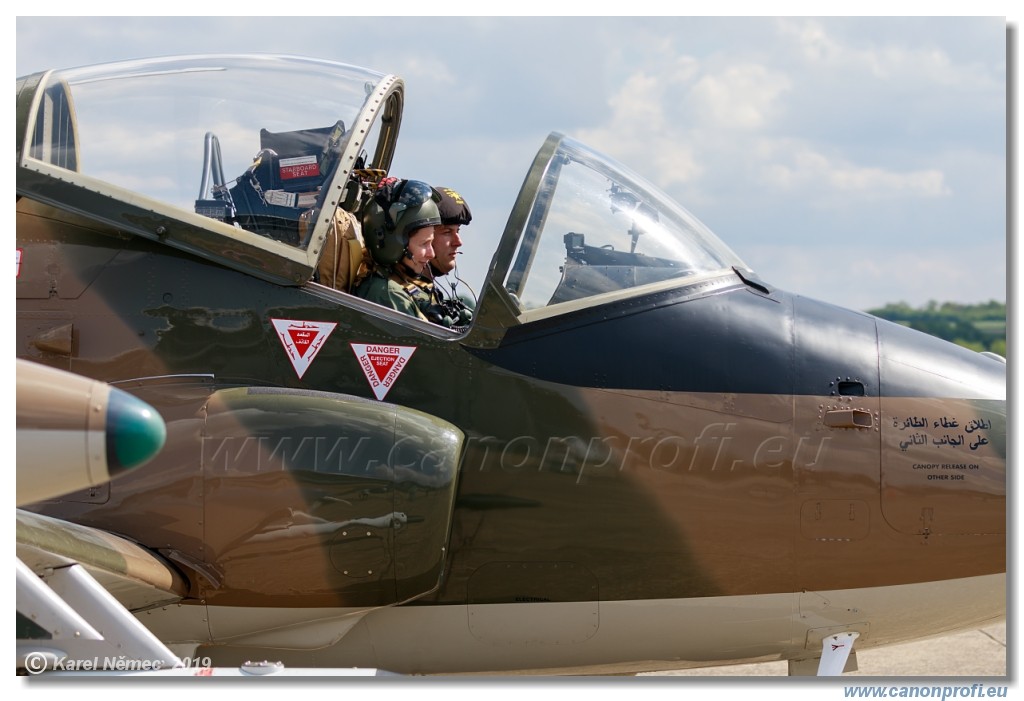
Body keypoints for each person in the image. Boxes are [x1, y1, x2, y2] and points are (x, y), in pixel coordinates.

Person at [353, 179, 446, 323]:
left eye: (431, 243)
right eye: (424, 244)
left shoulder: (405, 283)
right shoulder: (388, 294)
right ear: (392, 245)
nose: (431, 254)